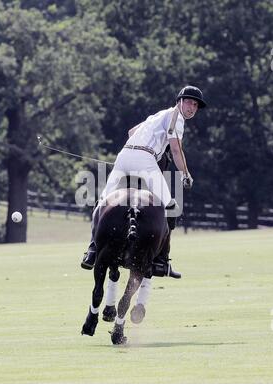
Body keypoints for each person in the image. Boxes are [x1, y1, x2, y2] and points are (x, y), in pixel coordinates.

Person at [81, 85, 207, 275]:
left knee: (102, 203)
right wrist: (185, 175)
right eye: (189, 102)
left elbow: (131, 132)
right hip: (145, 160)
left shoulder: (157, 116)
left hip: (123, 156)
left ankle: (92, 251)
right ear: (179, 101)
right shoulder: (177, 118)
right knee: (171, 207)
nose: (192, 107)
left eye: (195, 105)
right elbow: (175, 150)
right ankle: (161, 260)